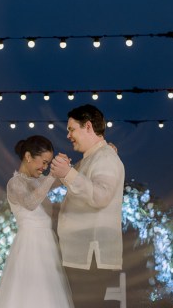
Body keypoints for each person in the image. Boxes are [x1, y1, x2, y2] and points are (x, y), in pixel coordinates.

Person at [50, 104, 125, 308]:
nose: (68, 135)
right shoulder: (90, 159)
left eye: (72, 129)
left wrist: (68, 173)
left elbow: (100, 196)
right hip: (82, 255)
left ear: (89, 126)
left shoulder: (106, 158)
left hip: (91, 255)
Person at [0, 135, 74, 308]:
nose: (45, 168)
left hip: (46, 246)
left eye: (48, 164)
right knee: (29, 295)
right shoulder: (14, 183)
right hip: (30, 246)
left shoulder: (39, 182)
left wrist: (81, 161)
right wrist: (52, 174)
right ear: (28, 156)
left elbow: (68, 176)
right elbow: (30, 202)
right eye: (43, 162)